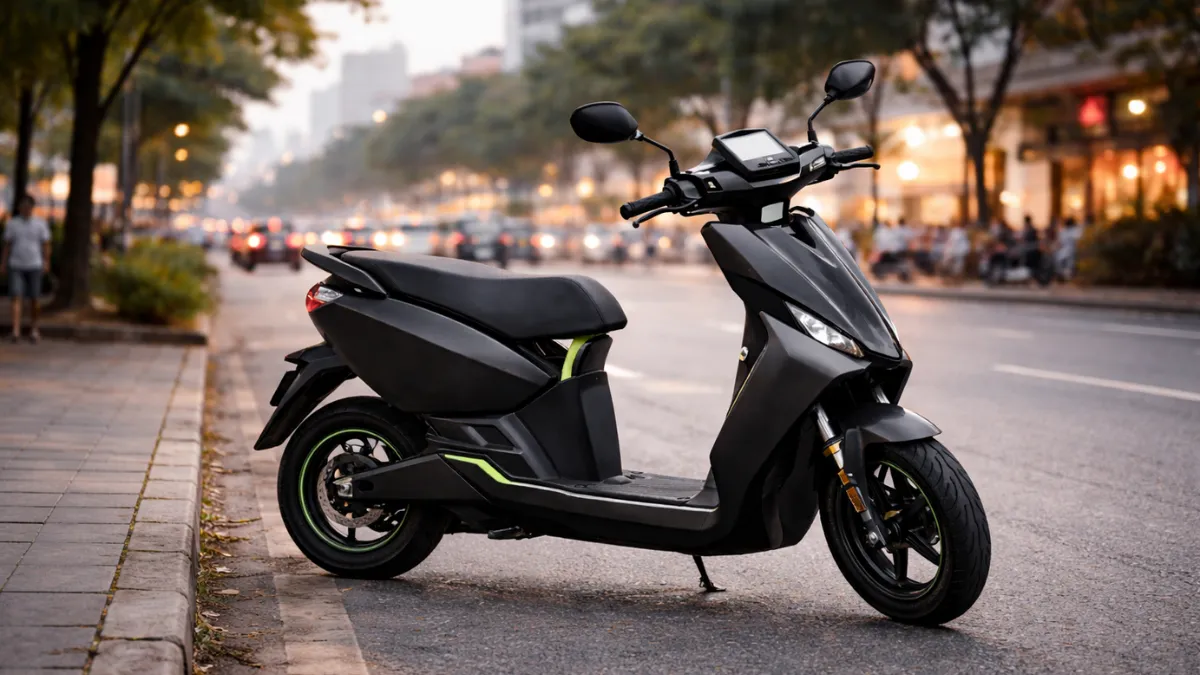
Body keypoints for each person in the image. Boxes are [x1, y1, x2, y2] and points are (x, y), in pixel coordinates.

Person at [2, 193, 52, 343]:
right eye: (23, 207)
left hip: (34, 264)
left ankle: (34, 328)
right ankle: (15, 330)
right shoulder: (12, 224)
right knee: (16, 297)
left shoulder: (40, 224)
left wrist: (46, 261)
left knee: (34, 299)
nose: (26, 209)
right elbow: (7, 245)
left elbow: (46, 244)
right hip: (16, 264)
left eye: (28, 207)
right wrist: (4, 263)